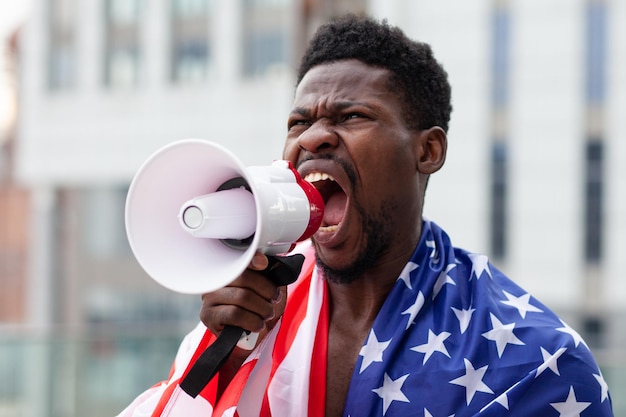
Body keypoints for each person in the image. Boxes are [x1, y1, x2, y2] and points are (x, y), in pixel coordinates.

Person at [119, 14, 613, 417]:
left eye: (352, 116)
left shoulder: (533, 362)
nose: (312, 138)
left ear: (428, 150)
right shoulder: (257, 313)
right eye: (299, 122)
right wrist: (222, 366)